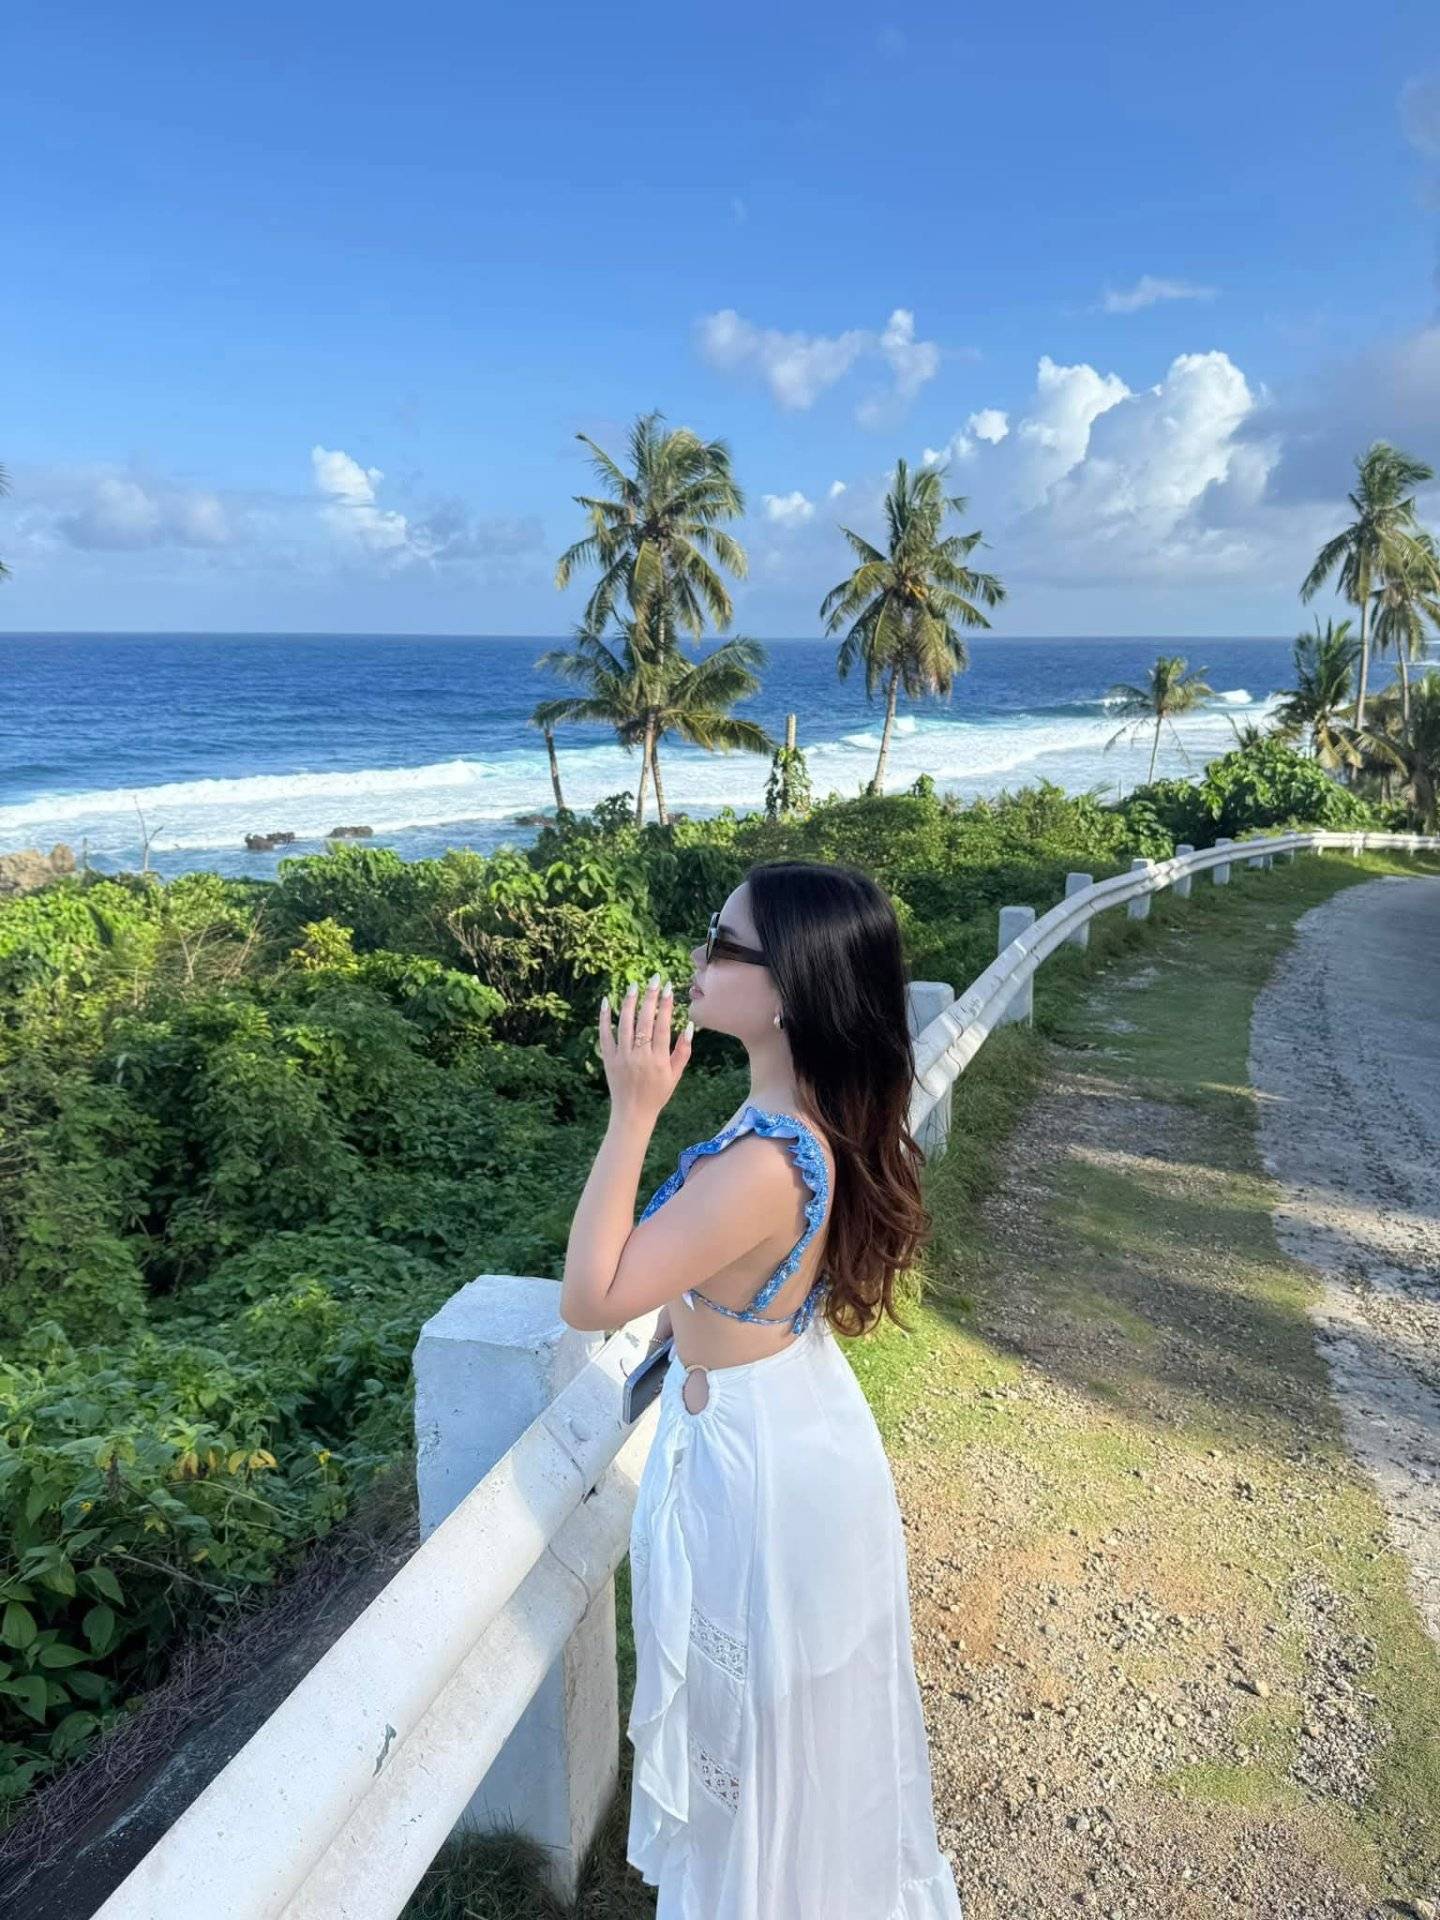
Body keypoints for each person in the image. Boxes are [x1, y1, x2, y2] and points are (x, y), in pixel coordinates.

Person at [560, 858, 963, 1919]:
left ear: (789, 989)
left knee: (766, 1734)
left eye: (724, 945)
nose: (698, 958)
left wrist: (632, 1110)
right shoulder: (796, 1115)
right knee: (788, 1733)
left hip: (761, 1464)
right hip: (784, 1423)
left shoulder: (764, 1164)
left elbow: (592, 1297)